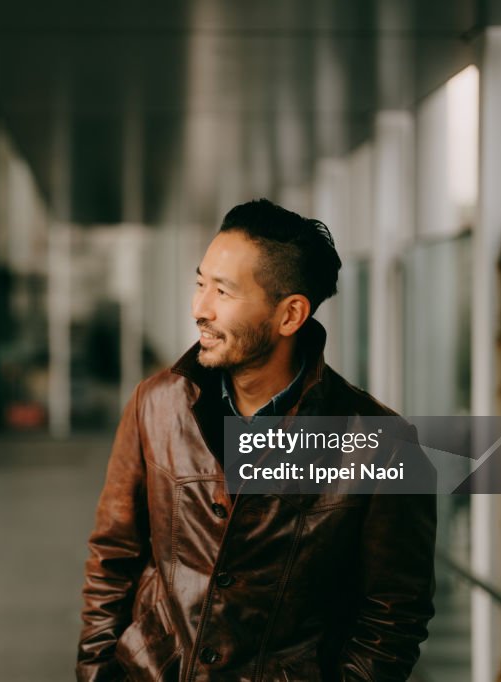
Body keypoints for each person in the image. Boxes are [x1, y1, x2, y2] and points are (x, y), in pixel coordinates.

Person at [76, 199, 436, 681]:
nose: (199, 309)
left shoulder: (382, 445)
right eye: (201, 283)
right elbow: (112, 560)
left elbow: (392, 617)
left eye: (223, 292)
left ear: (290, 316)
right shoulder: (156, 405)